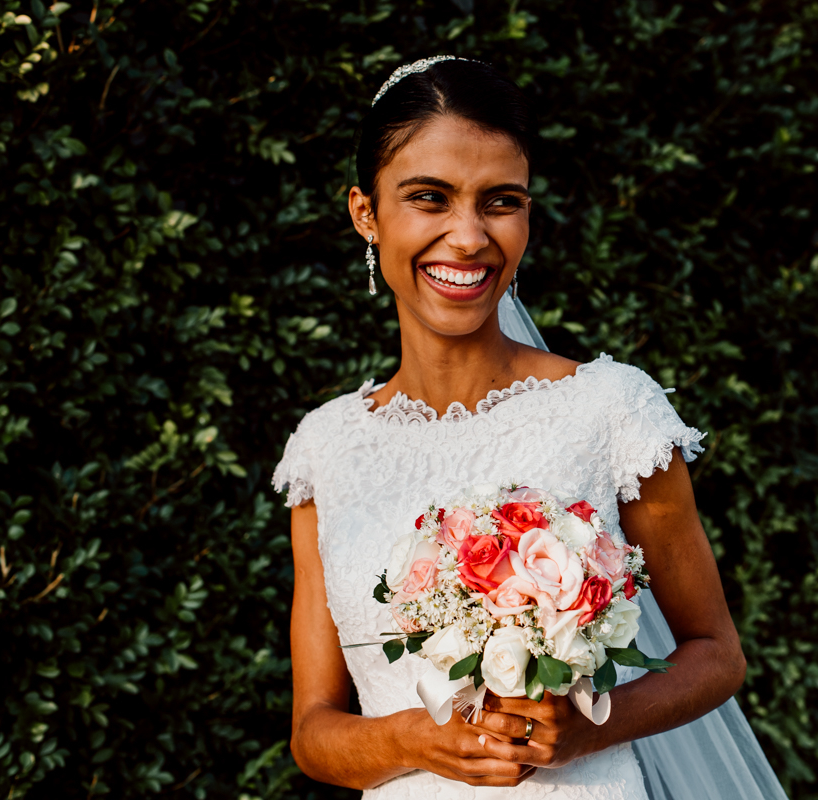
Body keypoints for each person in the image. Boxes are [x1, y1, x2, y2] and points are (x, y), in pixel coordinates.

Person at [273, 56, 784, 799]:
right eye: (429, 198)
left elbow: (716, 655)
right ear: (365, 212)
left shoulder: (610, 409)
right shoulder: (325, 450)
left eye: (500, 201)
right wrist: (409, 737)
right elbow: (313, 732)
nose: (469, 235)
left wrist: (589, 727)